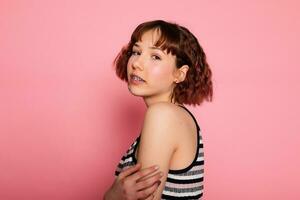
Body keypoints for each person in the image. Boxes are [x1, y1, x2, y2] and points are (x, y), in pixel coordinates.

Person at [104, 19, 213, 200]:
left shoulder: (162, 115)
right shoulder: (173, 116)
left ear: (179, 74)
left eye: (155, 56)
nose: (137, 63)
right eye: (136, 52)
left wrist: (111, 197)